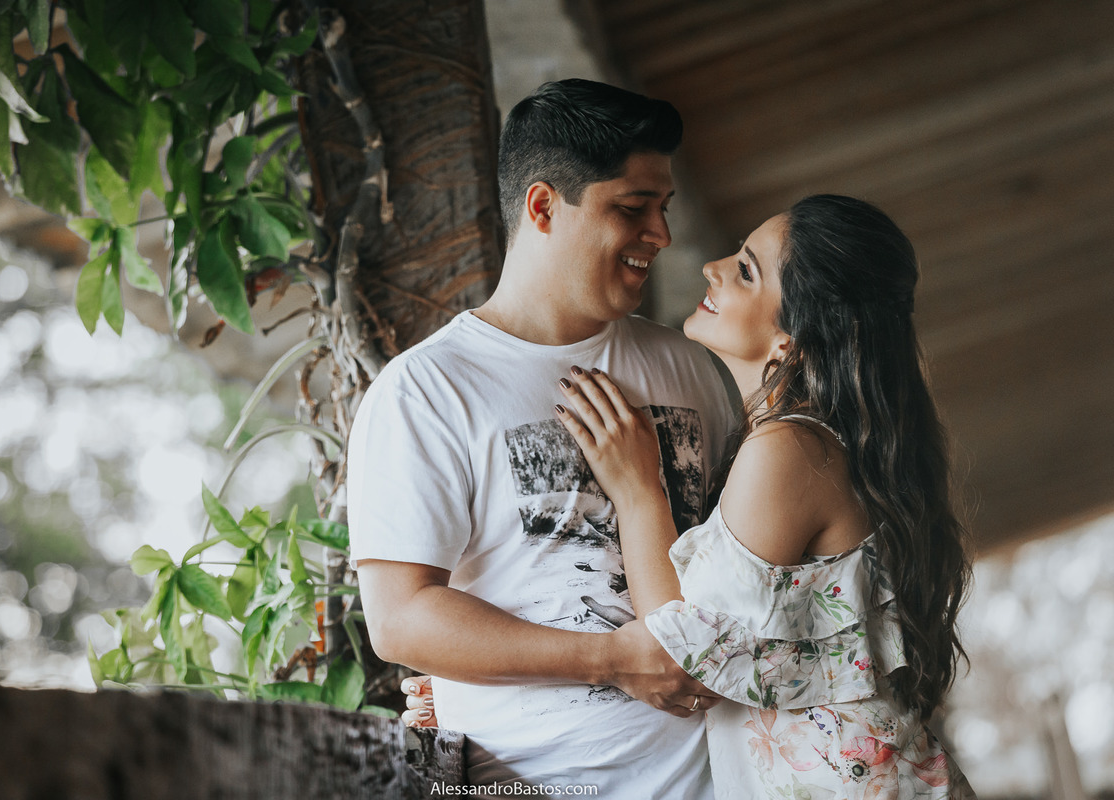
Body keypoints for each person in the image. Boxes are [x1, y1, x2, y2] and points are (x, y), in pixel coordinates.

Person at [347, 79, 735, 795]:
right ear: (543, 206)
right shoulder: (426, 391)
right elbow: (400, 620)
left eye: (664, 207)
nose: (662, 234)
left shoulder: (693, 369)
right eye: (632, 207)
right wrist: (613, 658)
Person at [555, 194, 977, 797]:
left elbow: (681, 662)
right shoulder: (811, 443)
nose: (712, 267)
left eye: (746, 270)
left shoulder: (790, 451)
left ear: (791, 342)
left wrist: (637, 489)